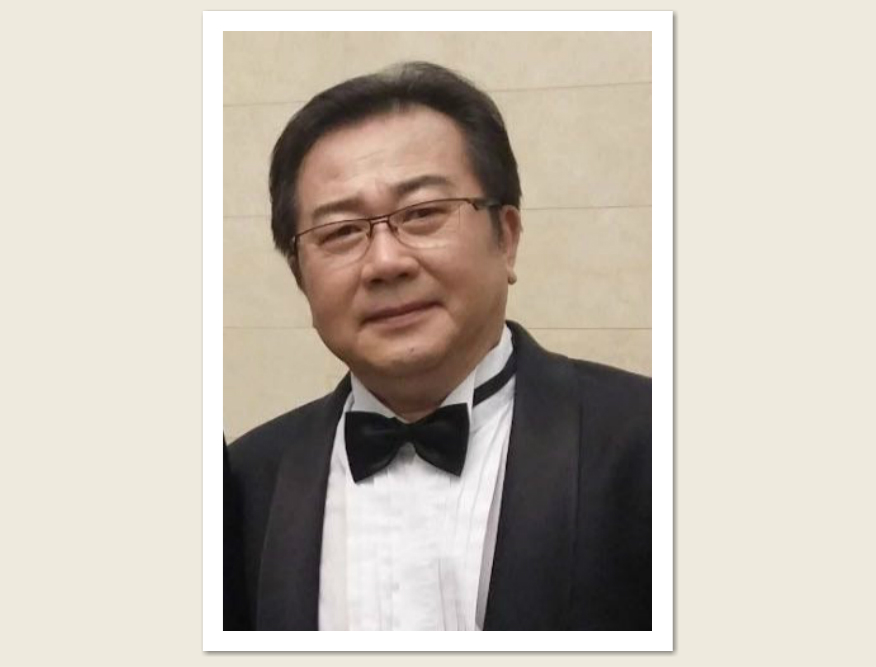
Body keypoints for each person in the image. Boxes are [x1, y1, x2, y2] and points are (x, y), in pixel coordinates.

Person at [224, 61, 651, 631]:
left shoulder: (653, 441)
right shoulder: (244, 483)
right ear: (300, 275)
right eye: (340, 231)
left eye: (423, 214)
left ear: (506, 237)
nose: (385, 262)